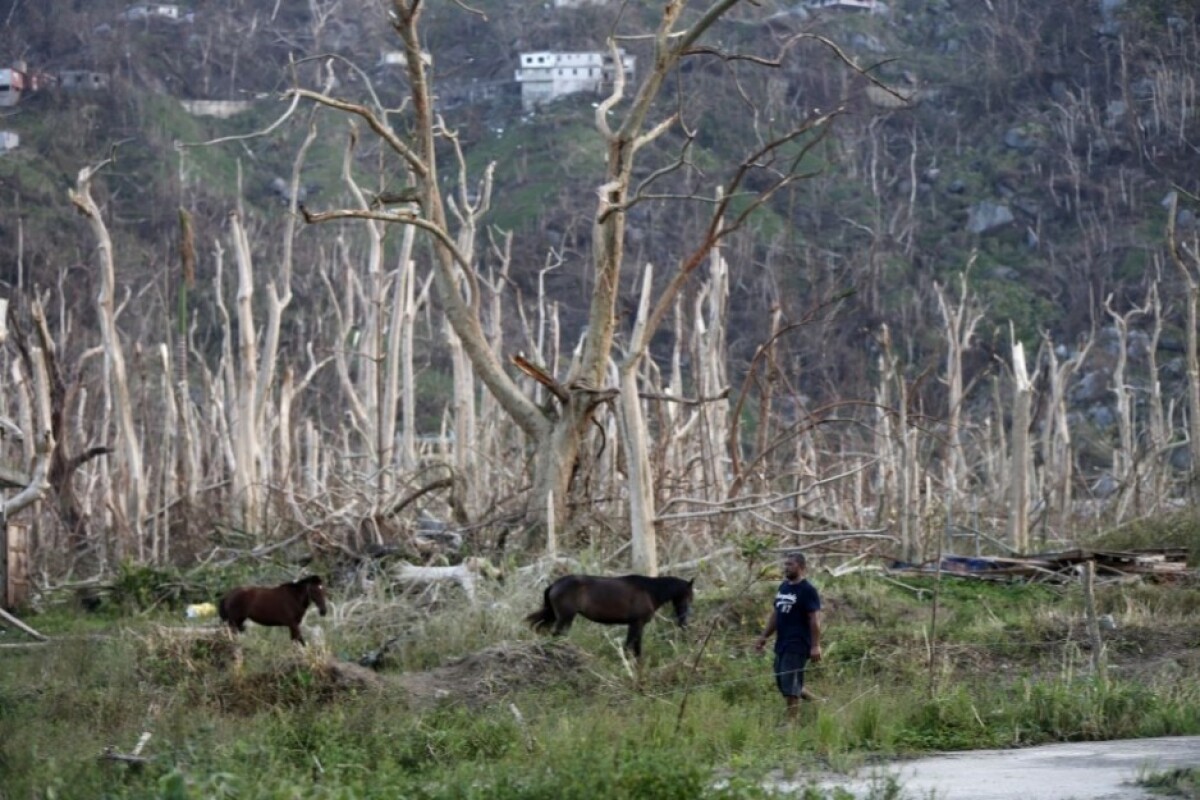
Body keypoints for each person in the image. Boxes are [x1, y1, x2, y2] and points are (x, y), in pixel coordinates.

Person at [754, 551, 822, 721]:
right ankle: (817, 702)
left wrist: (815, 645)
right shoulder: (783, 587)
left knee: (790, 681)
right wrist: (764, 637)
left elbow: (814, 619)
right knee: (783, 680)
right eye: (785, 564)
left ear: (801, 567)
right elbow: (776, 615)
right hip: (782, 642)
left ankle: (792, 722)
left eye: (790, 564)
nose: (786, 567)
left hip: (798, 642)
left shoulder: (808, 590)